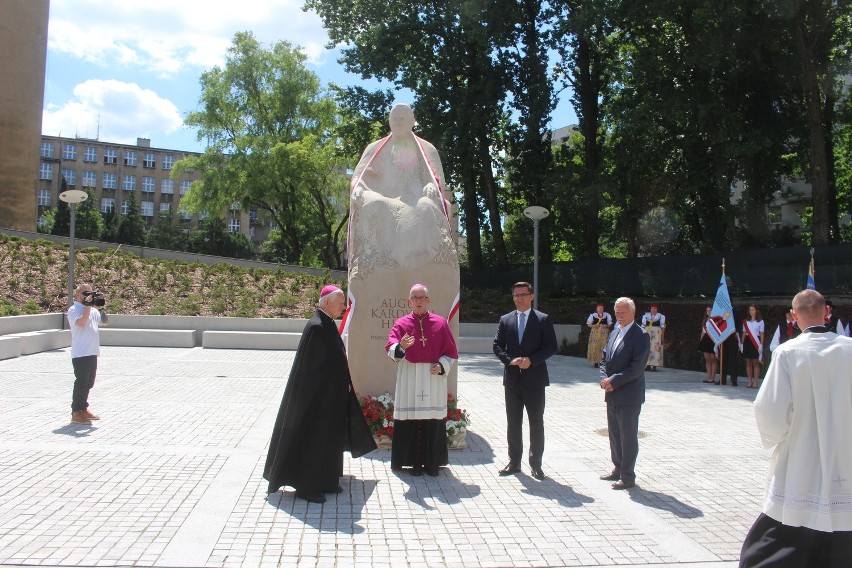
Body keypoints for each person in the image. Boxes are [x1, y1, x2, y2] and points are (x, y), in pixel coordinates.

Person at [739, 289, 852, 567]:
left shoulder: (787, 352)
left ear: (793, 316)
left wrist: (779, 437)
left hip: (802, 455)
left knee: (788, 525)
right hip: (846, 456)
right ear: (827, 313)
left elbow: (770, 409)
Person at [264, 285, 377, 504]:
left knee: (328, 440)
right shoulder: (317, 327)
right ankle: (307, 487)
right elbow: (314, 370)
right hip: (316, 400)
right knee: (314, 441)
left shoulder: (326, 323)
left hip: (330, 398)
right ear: (327, 302)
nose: (344, 307)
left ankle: (326, 480)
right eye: (341, 302)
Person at [385, 283, 458, 477]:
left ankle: (433, 463)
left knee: (432, 420)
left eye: (422, 298)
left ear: (428, 301)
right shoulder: (401, 323)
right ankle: (413, 463)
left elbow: (450, 353)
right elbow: (391, 349)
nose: (418, 301)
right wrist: (401, 345)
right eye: (414, 298)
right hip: (409, 375)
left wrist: (442, 365)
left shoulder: (441, 323)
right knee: (411, 419)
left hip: (432, 378)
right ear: (409, 301)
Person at [493, 281, 558, 481]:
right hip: (512, 381)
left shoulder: (542, 319)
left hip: (535, 380)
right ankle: (514, 462)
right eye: (516, 295)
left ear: (531, 296)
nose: (519, 298)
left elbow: (551, 346)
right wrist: (510, 361)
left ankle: (536, 464)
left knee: (536, 423)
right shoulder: (506, 320)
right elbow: (497, 345)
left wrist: (532, 360)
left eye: (523, 295)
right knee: (513, 423)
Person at [599, 297, 650, 490]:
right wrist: (605, 378)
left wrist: (614, 381)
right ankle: (617, 468)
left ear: (633, 312)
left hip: (629, 395)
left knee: (628, 435)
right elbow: (605, 358)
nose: (619, 316)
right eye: (617, 312)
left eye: (623, 312)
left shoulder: (641, 335)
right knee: (614, 433)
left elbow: (637, 368)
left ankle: (628, 476)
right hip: (611, 392)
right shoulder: (614, 332)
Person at [68, 283, 107, 425]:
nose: (88, 296)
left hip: (92, 352)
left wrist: (101, 308)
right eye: (85, 293)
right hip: (80, 353)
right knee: (81, 382)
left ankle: (83, 409)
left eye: (90, 293)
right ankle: (76, 412)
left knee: (89, 383)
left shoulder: (93, 311)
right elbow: (82, 324)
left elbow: (105, 322)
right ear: (78, 295)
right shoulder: (74, 310)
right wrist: (87, 307)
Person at [741, 304, 765, 389]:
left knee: (755, 362)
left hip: (756, 342)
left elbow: (762, 334)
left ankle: (755, 381)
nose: (751, 311)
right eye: (750, 310)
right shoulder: (746, 322)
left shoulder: (761, 322)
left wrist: (761, 345)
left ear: (756, 311)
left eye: (753, 310)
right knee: (748, 362)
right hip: (747, 342)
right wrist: (741, 344)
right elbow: (744, 333)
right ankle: (750, 381)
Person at [586, 303, 612, 367]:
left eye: (601, 308)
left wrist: (606, 325)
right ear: (596, 309)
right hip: (595, 334)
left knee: (604, 346)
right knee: (595, 346)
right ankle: (595, 362)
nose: (600, 309)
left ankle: (602, 361)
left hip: (604, 334)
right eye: (599, 308)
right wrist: (594, 325)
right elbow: (588, 324)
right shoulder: (593, 315)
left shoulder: (607, 315)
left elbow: (610, 324)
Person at [641, 304, 666, 370]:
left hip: (657, 333)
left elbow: (663, 327)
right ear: (650, 309)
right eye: (652, 308)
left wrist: (662, 336)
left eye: (655, 308)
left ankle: (655, 365)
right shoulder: (646, 316)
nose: (653, 310)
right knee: (647, 347)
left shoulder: (660, 316)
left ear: (657, 309)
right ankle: (647, 365)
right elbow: (643, 326)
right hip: (648, 332)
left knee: (656, 348)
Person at [698, 305, 718, 383]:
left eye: (710, 310)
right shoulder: (705, 320)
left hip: (713, 340)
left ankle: (712, 378)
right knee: (707, 359)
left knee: (713, 359)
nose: (709, 312)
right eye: (707, 311)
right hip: (705, 339)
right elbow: (703, 331)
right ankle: (708, 377)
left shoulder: (716, 320)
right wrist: (700, 341)